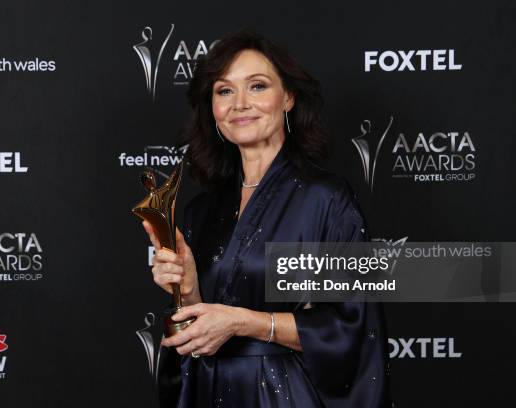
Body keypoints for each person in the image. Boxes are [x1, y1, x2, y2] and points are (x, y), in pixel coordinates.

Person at [141, 30, 390, 408]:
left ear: (288, 98)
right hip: (210, 393)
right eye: (224, 91)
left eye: (257, 86)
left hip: (286, 394)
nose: (240, 103)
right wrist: (188, 291)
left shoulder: (325, 199)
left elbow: (350, 326)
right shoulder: (200, 211)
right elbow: (196, 331)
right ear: (211, 107)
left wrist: (245, 323)